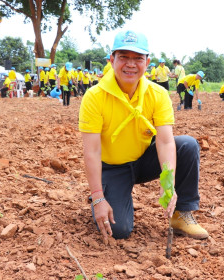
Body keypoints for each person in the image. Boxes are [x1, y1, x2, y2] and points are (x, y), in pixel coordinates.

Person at [79, 30, 209, 242]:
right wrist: (97, 197)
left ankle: (182, 215)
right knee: (119, 230)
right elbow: (92, 151)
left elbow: (165, 141)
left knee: (186, 145)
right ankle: (107, 192)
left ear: (147, 62)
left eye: (138, 58)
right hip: (114, 167)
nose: (131, 64)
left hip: (144, 159)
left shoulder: (157, 94)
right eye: (124, 57)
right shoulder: (94, 97)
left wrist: (169, 185)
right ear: (112, 60)